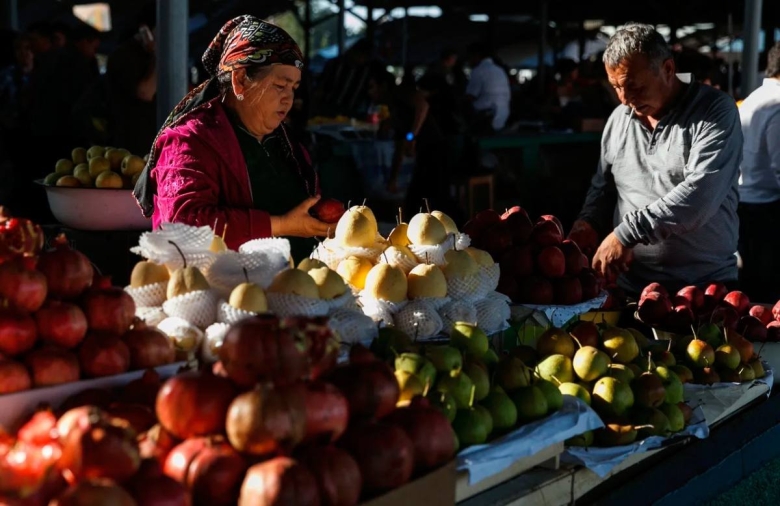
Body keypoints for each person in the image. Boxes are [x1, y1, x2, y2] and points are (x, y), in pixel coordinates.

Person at [133, 15, 330, 262]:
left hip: (298, 290)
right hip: (219, 293)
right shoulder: (190, 141)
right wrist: (279, 225)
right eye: (280, 85)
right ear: (239, 80)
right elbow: (180, 226)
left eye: (294, 88)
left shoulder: (287, 145)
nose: (289, 99)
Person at [567, 23, 742, 296]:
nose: (625, 99)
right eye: (615, 87)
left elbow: (700, 196)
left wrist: (626, 234)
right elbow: (603, 186)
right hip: (630, 289)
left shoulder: (715, 111)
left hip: (704, 290)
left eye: (633, 86)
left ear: (668, 69)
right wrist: (588, 221)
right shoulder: (618, 119)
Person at [736, 42, 780, 303]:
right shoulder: (777, 104)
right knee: (768, 298)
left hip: (746, 205)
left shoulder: (753, 98)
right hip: (767, 212)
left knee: (753, 294)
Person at [105, 1, 158, 155]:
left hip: (154, 139)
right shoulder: (123, 55)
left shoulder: (151, 56)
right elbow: (145, 93)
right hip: (130, 144)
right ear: (145, 30)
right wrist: (159, 54)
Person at [464, 42, 511, 134]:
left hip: (487, 120)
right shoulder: (499, 70)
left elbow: (470, 96)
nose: (468, 61)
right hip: (503, 117)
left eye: (469, 57)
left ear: (476, 55)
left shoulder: (478, 71)